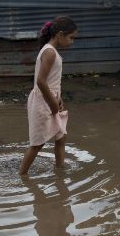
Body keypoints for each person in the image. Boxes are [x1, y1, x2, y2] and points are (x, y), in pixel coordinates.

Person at [19, 16, 78, 176]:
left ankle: (60, 170)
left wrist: (58, 98)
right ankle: (22, 175)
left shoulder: (51, 51)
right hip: (43, 102)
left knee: (60, 137)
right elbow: (41, 81)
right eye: (71, 38)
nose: (72, 42)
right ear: (60, 34)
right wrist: (52, 103)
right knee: (37, 144)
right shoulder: (50, 52)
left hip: (51, 99)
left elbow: (52, 81)